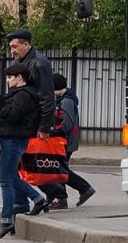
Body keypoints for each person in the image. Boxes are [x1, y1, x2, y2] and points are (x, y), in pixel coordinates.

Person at [0, 63, 49, 238]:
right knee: (11, 178)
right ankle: (39, 199)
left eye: (10, 77)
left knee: (6, 182)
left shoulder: (24, 95)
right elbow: (4, 114)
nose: (7, 80)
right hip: (10, 138)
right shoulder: (18, 94)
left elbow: (13, 116)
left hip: (13, 140)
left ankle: (6, 220)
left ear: (19, 77)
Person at [42, 74, 97, 210]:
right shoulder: (61, 100)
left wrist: (52, 131)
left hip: (65, 141)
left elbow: (66, 125)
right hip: (61, 140)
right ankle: (64, 197)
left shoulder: (67, 102)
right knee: (58, 168)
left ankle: (79, 190)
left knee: (59, 168)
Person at [6, 28, 55, 140]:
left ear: (26, 45)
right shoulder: (18, 62)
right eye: (11, 47)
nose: (11, 51)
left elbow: (47, 97)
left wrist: (44, 127)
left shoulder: (39, 64)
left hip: (32, 122)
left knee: (32, 155)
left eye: (14, 47)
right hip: (21, 120)